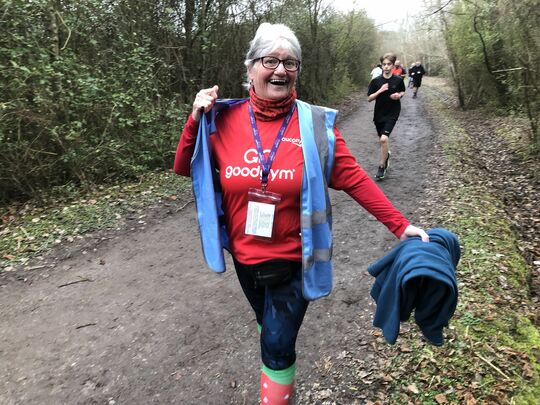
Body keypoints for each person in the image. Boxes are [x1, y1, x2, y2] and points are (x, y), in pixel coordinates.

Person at [174, 23, 428, 405]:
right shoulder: (222, 120)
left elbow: (355, 178)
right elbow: (184, 166)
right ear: (250, 68)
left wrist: (400, 224)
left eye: (290, 62)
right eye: (270, 60)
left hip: (295, 260)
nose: (280, 69)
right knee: (270, 331)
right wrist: (195, 118)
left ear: (297, 70)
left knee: (276, 345)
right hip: (244, 257)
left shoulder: (313, 126)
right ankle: (279, 374)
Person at [367, 53, 406, 180]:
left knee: (384, 139)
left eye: (389, 64)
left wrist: (399, 96)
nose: (386, 67)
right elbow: (369, 98)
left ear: (393, 66)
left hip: (393, 112)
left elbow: (402, 91)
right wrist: (380, 90)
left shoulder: (398, 80)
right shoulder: (376, 81)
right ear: (381, 65)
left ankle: (382, 166)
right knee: (382, 140)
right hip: (379, 113)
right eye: (384, 64)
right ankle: (386, 155)